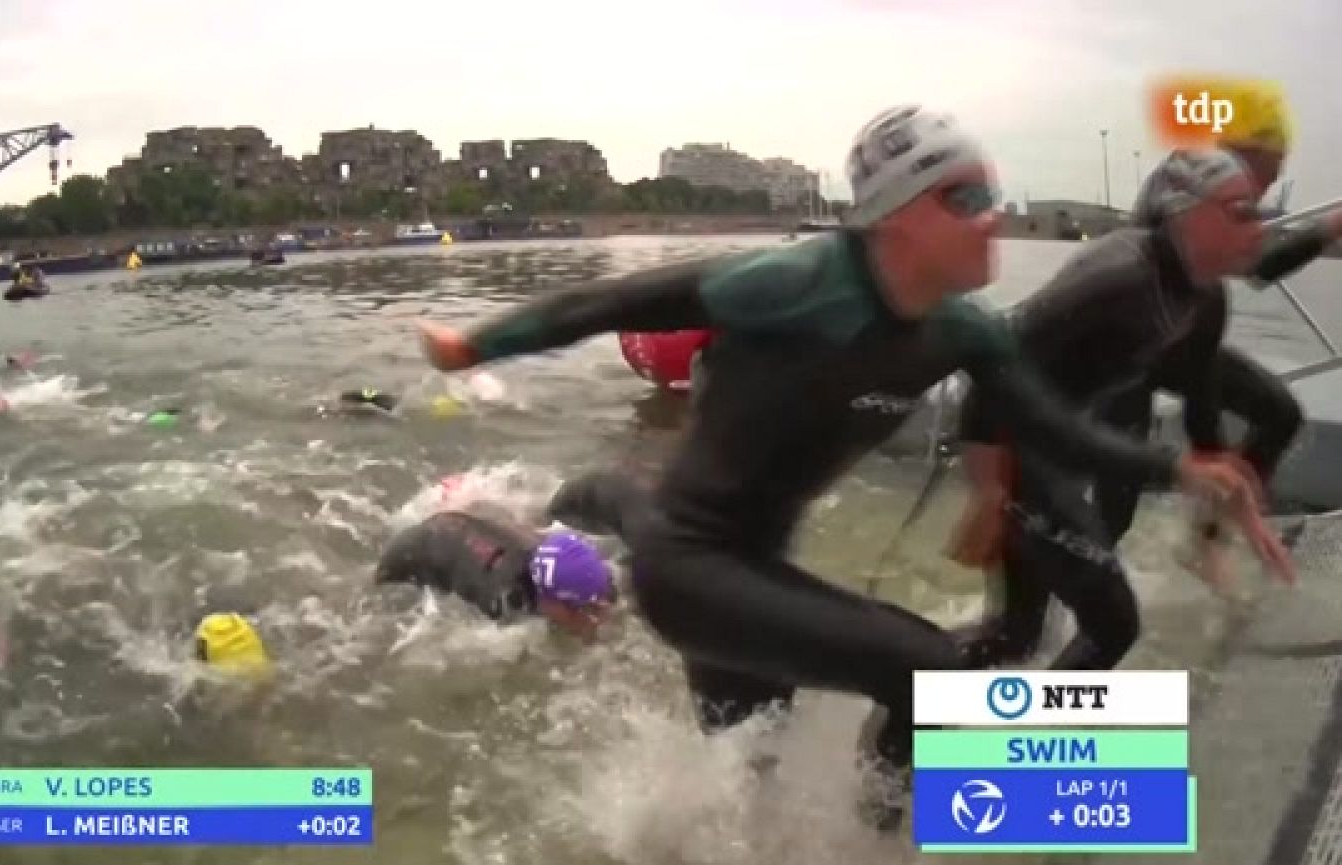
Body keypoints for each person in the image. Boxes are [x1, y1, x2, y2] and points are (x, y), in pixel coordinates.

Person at [414, 105, 1288, 779]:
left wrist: (1181, 466)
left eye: (993, 193)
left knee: (743, 777)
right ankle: (887, 846)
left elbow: (1055, 427)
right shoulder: (797, 283)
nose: (994, 216)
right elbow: (616, 303)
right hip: (692, 566)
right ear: (896, 213)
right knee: (931, 673)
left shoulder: (962, 332)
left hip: (762, 574)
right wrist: (475, 346)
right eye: (966, 198)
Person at [949, 148, 1296, 670]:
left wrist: (1235, 505)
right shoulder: (1119, 275)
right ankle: (918, 699)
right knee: (1110, 625)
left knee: (1020, 635)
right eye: (1240, 211)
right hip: (1013, 447)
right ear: (1184, 212)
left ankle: (911, 711)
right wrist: (988, 490)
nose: (1260, 228)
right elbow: (993, 361)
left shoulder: (1206, 302)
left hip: (1062, 444)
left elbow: (1203, 420)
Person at [1101, 80, 1342, 559]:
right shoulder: (1185, 180)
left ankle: (1208, 536)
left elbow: (1252, 268)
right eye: (1267, 174)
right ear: (1240, 153)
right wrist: (1329, 228)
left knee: (1280, 413)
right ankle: (1074, 591)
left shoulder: (1225, 195)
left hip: (1186, 344)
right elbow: (1255, 267)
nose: (1267, 188)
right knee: (1117, 495)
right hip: (1125, 349)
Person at [374, 510, 618, 641]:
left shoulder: (595, 576)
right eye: (581, 609)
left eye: (595, 606)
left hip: (455, 523)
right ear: (548, 601)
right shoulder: (506, 596)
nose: (593, 618)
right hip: (410, 553)